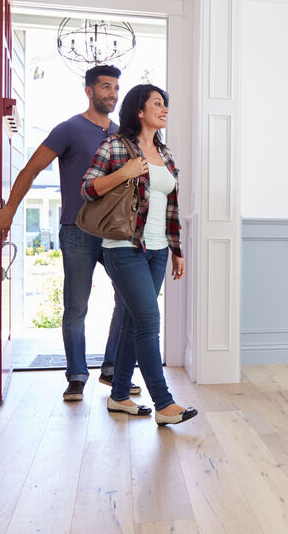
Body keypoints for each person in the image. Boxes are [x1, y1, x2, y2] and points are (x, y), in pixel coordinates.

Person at [0, 64, 141, 402]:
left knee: (129, 300)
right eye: (105, 87)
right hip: (77, 229)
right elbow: (31, 169)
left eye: (115, 88)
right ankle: (76, 376)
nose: (112, 94)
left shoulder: (121, 135)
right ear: (89, 91)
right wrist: (10, 209)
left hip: (116, 233)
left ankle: (113, 369)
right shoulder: (69, 129)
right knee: (75, 306)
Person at [81, 83, 197, 426]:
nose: (164, 110)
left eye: (166, 104)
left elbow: (171, 206)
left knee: (133, 323)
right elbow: (87, 188)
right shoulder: (115, 146)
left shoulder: (166, 153)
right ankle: (163, 404)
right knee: (148, 322)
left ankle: (119, 397)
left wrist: (177, 250)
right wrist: (124, 172)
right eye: (158, 104)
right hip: (124, 248)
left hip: (158, 251)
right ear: (139, 111)